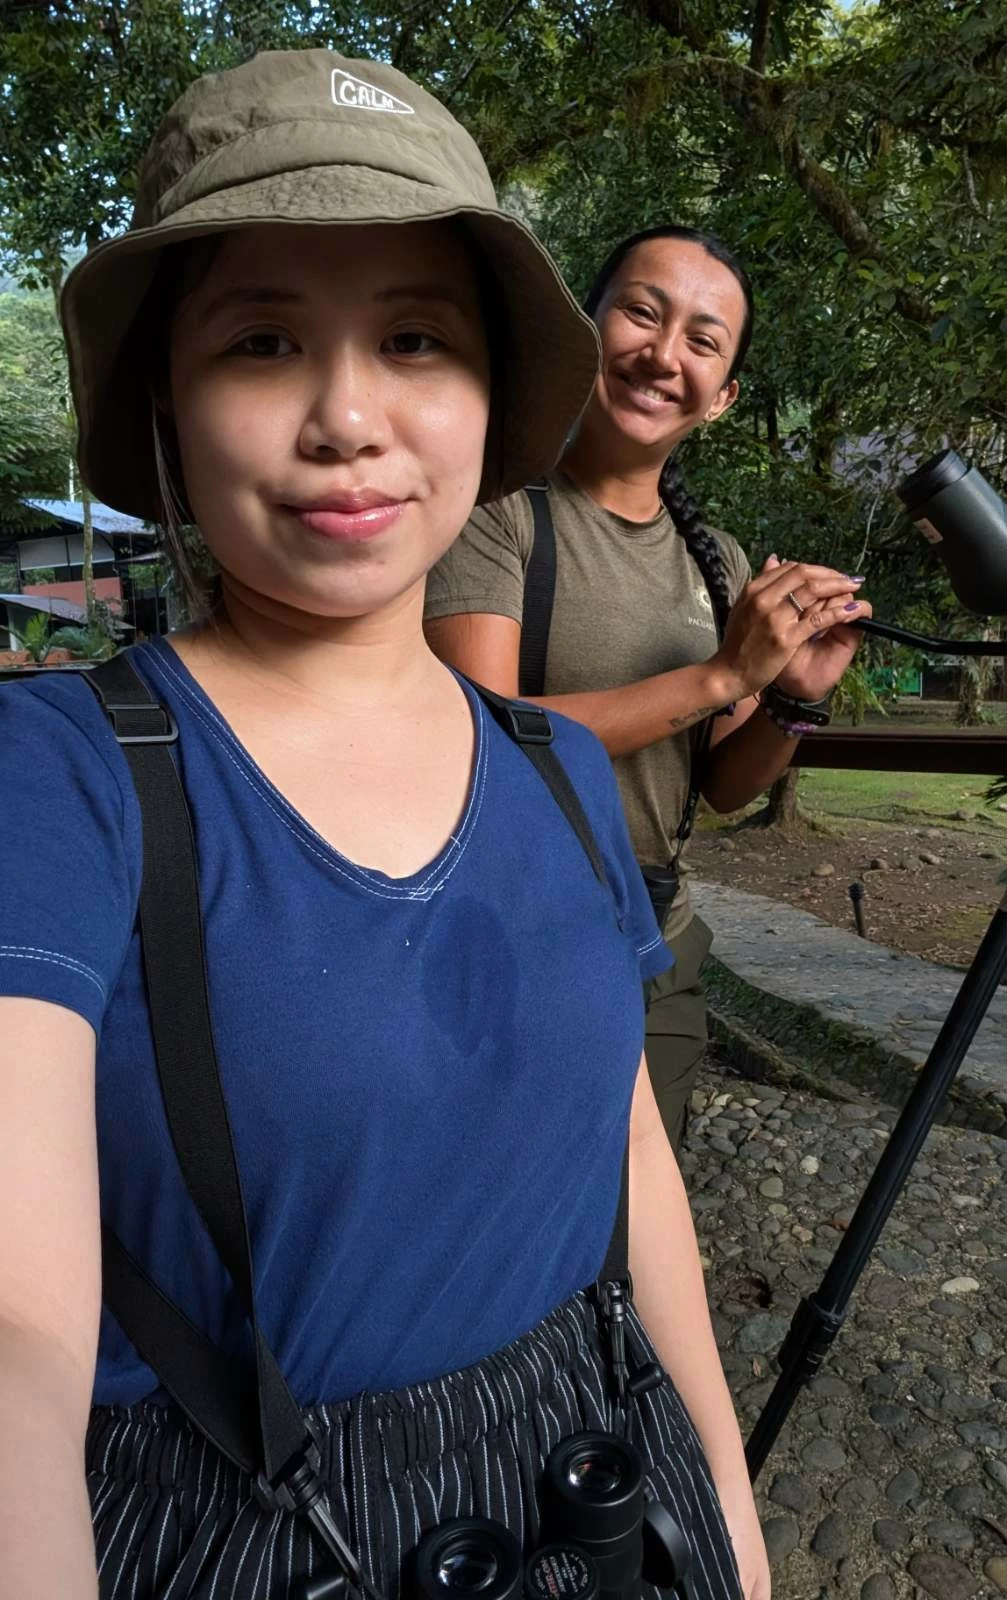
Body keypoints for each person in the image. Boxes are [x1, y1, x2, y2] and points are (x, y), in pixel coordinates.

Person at [0, 52, 769, 1600]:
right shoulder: (61, 774)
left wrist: (738, 1549)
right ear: (167, 393)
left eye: (416, 337)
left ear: (490, 395)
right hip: (246, 1521)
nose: (348, 416)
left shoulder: (555, 770)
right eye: (264, 340)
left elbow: (635, 1178)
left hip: (600, 1488)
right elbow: (17, 1326)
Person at [424, 226, 872, 1150]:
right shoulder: (494, 510)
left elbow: (720, 785)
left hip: (656, 941)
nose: (664, 355)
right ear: (585, 333)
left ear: (723, 398)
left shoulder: (719, 565)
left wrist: (793, 697)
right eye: (640, 312)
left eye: (703, 341)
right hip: (501, 938)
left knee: (634, 1230)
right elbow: (480, 739)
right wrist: (720, 673)